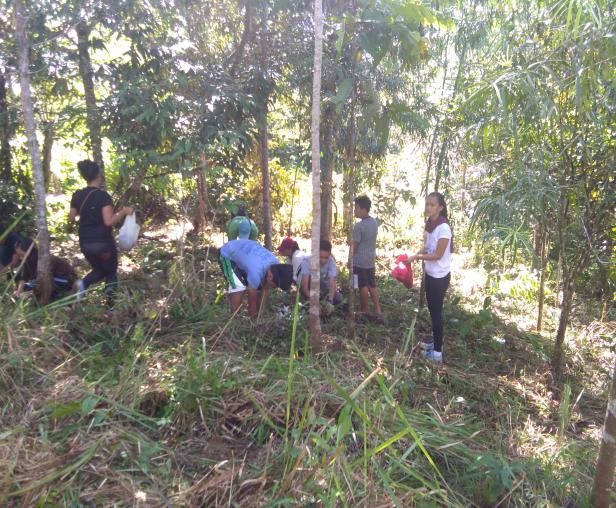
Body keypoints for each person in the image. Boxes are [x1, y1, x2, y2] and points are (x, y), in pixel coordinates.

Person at [68, 160, 134, 308]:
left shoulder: (77, 195)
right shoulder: (103, 196)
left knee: (99, 269)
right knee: (110, 272)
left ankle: (82, 284)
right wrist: (123, 212)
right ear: (98, 175)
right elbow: (108, 221)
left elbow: (71, 218)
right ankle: (111, 306)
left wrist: (84, 216)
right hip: (103, 243)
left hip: (85, 242)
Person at [407, 192, 453, 363]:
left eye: (432, 205)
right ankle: (435, 343)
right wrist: (415, 254)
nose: (428, 207)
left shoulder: (443, 228)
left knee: (436, 314)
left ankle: (437, 354)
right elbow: (426, 247)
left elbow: (438, 254)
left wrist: (418, 258)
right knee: (433, 311)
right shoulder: (430, 225)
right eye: (427, 204)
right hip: (431, 274)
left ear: (440, 208)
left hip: (440, 276)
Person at [219, 239, 293, 316]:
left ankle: (255, 316)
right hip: (227, 253)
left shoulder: (276, 265)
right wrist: (254, 322)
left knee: (260, 287)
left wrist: (261, 314)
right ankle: (233, 317)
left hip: (244, 253)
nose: (274, 287)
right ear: (270, 277)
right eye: (274, 285)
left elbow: (265, 288)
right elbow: (252, 300)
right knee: (239, 288)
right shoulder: (256, 272)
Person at [352, 195, 384, 324]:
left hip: (360, 260)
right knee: (372, 285)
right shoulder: (374, 222)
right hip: (370, 259)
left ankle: (364, 310)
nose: (355, 211)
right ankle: (378, 310)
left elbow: (356, 245)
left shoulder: (359, 226)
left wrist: (350, 259)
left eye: (357, 208)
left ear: (363, 209)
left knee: (362, 285)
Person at [299, 239, 342, 315]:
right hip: (310, 289)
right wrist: (313, 302)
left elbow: (332, 283)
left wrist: (330, 301)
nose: (323, 260)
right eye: (321, 257)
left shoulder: (331, 262)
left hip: (323, 289)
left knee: (338, 299)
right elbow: (304, 287)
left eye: (326, 257)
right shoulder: (307, 262)